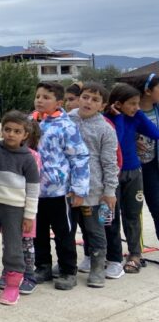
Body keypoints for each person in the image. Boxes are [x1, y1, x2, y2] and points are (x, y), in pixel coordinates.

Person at [0, 110, 39, 305]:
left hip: (14, 209)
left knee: (13, 247)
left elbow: (33, 190)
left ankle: (13, 286)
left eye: (17, 131)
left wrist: (29, 216)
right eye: (7, 129)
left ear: (25, 135)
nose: (11, 134)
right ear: (1, 130)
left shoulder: (28, 158)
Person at [31, 81, 90, 290]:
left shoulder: (66, 126)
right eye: (38, 96)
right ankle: (42, 266)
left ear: (58, 102)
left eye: (46, 97)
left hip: (59, 192)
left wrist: (79, 189)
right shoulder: (29, 122)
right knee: (37, 232)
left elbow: (80, 157)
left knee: (64, 233)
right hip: (34, 192)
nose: (40, 100)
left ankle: (67, 270)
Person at [104, 82, 159, 274]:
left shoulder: (136, 117)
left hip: (134, 172)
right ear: (118, 104)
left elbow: (155, 133)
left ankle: (135, 254)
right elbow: (115, 141)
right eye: (132, 104)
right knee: (108, 216)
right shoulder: (106, 120)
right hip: (111, 175)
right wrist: (118, 118)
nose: (136, 107)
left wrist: (140, 115)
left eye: (138, 103)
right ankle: (112, 255)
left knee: (133, 215)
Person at [68, 82, 119, 287]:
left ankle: (98, 267)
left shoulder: (105, 129)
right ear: (79, 98)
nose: (89, 102)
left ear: (103, 105)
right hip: (67, 188)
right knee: (67, 229)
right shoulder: (67, 119)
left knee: (95, 230)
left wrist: (109, 191)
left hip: (93, 191)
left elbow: (109, 162)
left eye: (95, 99)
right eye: (86, 97)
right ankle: (67, 265)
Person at [125, 73, 159, 244]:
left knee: (157, 206)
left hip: (153, 165)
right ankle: (135, 251)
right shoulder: (129, 112)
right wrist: (131, 140)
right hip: (130, 167)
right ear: (147, 91)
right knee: (131, 211)